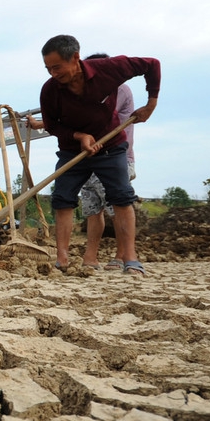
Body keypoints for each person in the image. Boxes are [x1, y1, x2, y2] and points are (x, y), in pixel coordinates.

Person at [38, 35, 160, 275]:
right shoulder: (50, 90)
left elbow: (152, 64)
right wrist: (79, 136)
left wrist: (151, 104)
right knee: (63, 199)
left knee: (122, 197)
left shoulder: (108, 70)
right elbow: (52, 126)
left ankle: (131, 259)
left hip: (110, 145)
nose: (53, 73)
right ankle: (61, 258)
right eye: (48, 68)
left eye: (57, 67)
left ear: (75, 57)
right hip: (72, 150)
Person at [78, 53, 136, 270]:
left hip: (113, 157)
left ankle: (122, 256)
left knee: (117, 208)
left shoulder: (119, 90)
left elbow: (99, 121)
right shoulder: (88, 92)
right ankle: (90, 257)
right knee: (93, 210)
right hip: (89, 158)